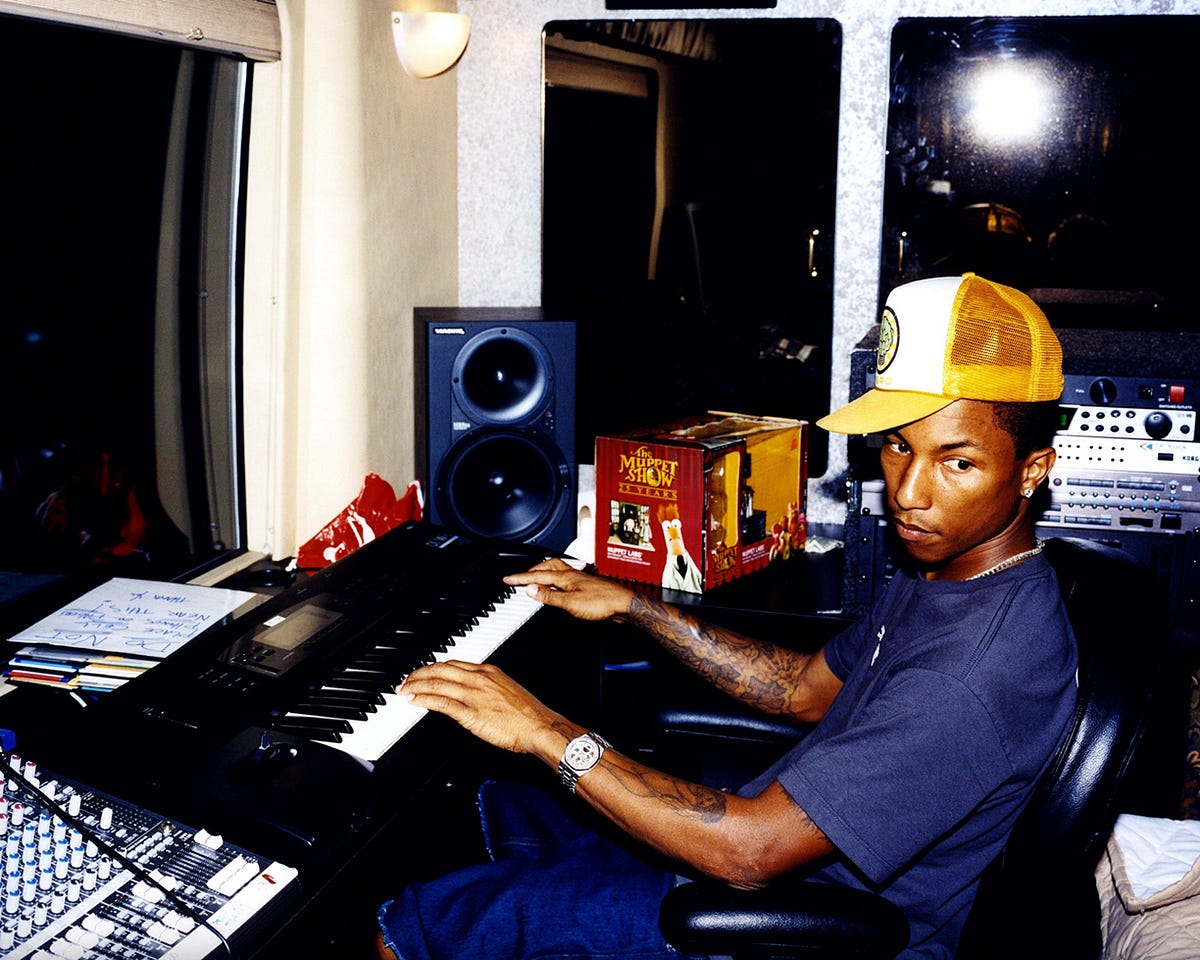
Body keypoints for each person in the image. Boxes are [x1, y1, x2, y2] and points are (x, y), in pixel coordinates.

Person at [376, 272, 1078, 960]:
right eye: (899, 445)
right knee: (478, 812)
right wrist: (637, 608)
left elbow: (750, 853)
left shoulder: (971, 674)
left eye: (958, 464)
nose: (909, 494)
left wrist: (542, 728)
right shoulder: (951, 576)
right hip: (758, 845)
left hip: (778, 924)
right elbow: (803, 689)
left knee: (414, 926)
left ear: (1032, 469)